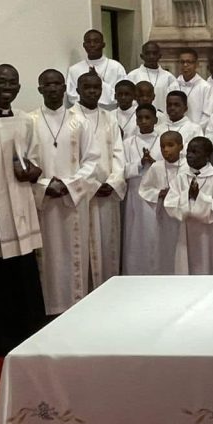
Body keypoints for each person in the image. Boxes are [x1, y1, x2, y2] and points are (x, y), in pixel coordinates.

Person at [0, 65, 45, 357]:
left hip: (22, 207)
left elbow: (35, 158)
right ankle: (1, 340)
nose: (8, 87)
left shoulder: (25, 120)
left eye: (13, 82)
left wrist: (32, 171)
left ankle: (29, 333)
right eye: (2, 82)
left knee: (25, 272)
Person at [30, 70, 100, 315]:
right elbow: (25, 161)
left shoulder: (79, 121)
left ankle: (75, 308)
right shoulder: (30, 121)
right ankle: (47, 311)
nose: (52, 88)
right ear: (40, 88)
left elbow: (92, 161)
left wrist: (69, 185)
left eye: (57, 83)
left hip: (72, 202)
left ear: (65, 88)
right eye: (47, 84)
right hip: (44, 203)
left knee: (74, 254)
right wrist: (46, 185)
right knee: (46, 258)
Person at [73, 72, 126, 289]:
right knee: (83, 247)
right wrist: (91, 185)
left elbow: (118, 152)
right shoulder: (71, 118)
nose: (93, 91)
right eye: (87, 87)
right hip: (83, 194)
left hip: (107, 192)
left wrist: (113, 181)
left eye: (96, 88)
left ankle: (108, 291)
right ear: (77, 90)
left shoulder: (109, 118)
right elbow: (71, 160)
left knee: (108, 245)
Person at [164, 136, 213, 275]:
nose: (189, 155)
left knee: (210, 267)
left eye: (194, 152)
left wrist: (199, 197)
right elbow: (170, 204)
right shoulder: (182, 177)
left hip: (210, 233)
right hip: (186, 231)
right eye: (188, 152)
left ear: (207, 155)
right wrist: (187, 197)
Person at [122, 104, 166, 275]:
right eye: (140, 118)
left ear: (155, 119)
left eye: (148, 118)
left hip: (157, 193)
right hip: (135, 194)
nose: (144, 121)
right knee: (136, 237)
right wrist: (140, 163)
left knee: (156, 236)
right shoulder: (128, 142)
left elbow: (171, 166)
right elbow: (122, 169)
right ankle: (135, 273)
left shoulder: (164, 139)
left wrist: (154, 163)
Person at [136, 130, 184, 275]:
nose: (166, 150)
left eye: (170, 145)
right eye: (162, 146)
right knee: (164, 252)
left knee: (181, 253)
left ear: (181, 147)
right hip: (164, 219)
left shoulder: (188, 167)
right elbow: (144, 189)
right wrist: (159, 193)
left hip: (183, 219)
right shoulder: (156, 167)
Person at [66, 29, 127, 108]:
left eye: (96, 42)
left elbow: (121, 94)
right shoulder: (74, 69)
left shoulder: (116, 67)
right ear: (84, 45)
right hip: (83, 114)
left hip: (109, 114)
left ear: (103, 44)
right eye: (88, 42)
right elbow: (72, 96)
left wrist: (100, 81)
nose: (92, 45)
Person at [128, 40, 174, 111]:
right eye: (147, 53)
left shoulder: (168, 77)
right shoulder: (132, 76)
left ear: (160, 56)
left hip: (162, 117)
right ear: (142, 56)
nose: (151, 56)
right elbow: (129, 100)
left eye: (154, 53)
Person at [174, 48, 213, 125]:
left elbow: (208, 114)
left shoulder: (205, 87)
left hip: (196, 132)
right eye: (182, 62)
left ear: (197, 64)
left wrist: (194, 130)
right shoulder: (173, 86)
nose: (185, 65)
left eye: (189, 62)